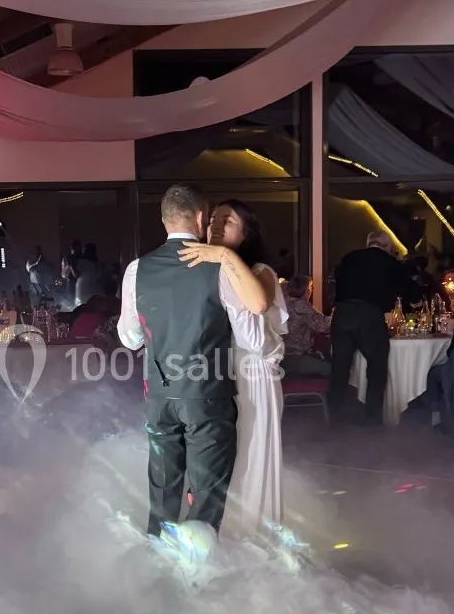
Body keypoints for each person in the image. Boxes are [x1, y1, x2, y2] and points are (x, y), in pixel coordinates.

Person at [118, 184, 271, 539]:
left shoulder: (137, 269)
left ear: (164, 220)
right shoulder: (217, 267)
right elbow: (253, 340)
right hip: (207, 397)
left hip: (159, 398)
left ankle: (158, 560)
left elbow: (130, 338)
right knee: (205, 497)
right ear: (201, 219)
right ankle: (198, 567)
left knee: (162, 495)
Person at [179, 199, 288, 537]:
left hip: (254, 375)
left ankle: (253, 533)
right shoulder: (206, 272)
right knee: (219, 455)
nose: (215, 225)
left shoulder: (261, 272)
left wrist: (224, 257)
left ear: (246, 233)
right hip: (215, 373)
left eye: (227, 221)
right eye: (213, 219)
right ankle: (219, 532)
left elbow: (258, 307)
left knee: (252, 453)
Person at [329, 232, 415, 426]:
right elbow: (406, 290)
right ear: (387, 246)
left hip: (342, 314)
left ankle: (335, 421)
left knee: (339, 370)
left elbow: (336, 282)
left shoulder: (349, 258)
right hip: (369, 315)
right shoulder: (389, 262)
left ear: (368, 244)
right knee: (376, 369)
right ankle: (372, 420)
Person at [281, 274, 331, 377]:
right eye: (311, 287)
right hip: (295, 356)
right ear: (307, 290)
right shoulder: (301, 306)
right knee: (330, 368)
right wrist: (336, 314)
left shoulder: (284, 301)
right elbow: (324, 326)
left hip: (281, 354)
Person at [74, 243, 104, 307]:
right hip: (93, 288)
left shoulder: (83, 262)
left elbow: (76, 275)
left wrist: (71, 266)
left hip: (83, 288)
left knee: (81, 307)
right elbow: (99, 276)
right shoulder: (97, 263)